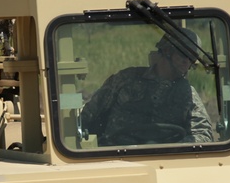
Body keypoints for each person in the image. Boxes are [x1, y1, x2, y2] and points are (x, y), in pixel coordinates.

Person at [80, 29, 214, 146]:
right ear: (167, 51)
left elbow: (203, 135)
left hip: (166, 161)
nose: (187, 62)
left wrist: (173, 149)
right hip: (118, 155)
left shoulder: (188, 94)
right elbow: (87, 117)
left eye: (192, 58)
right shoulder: (124, 80)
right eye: (183, 55)